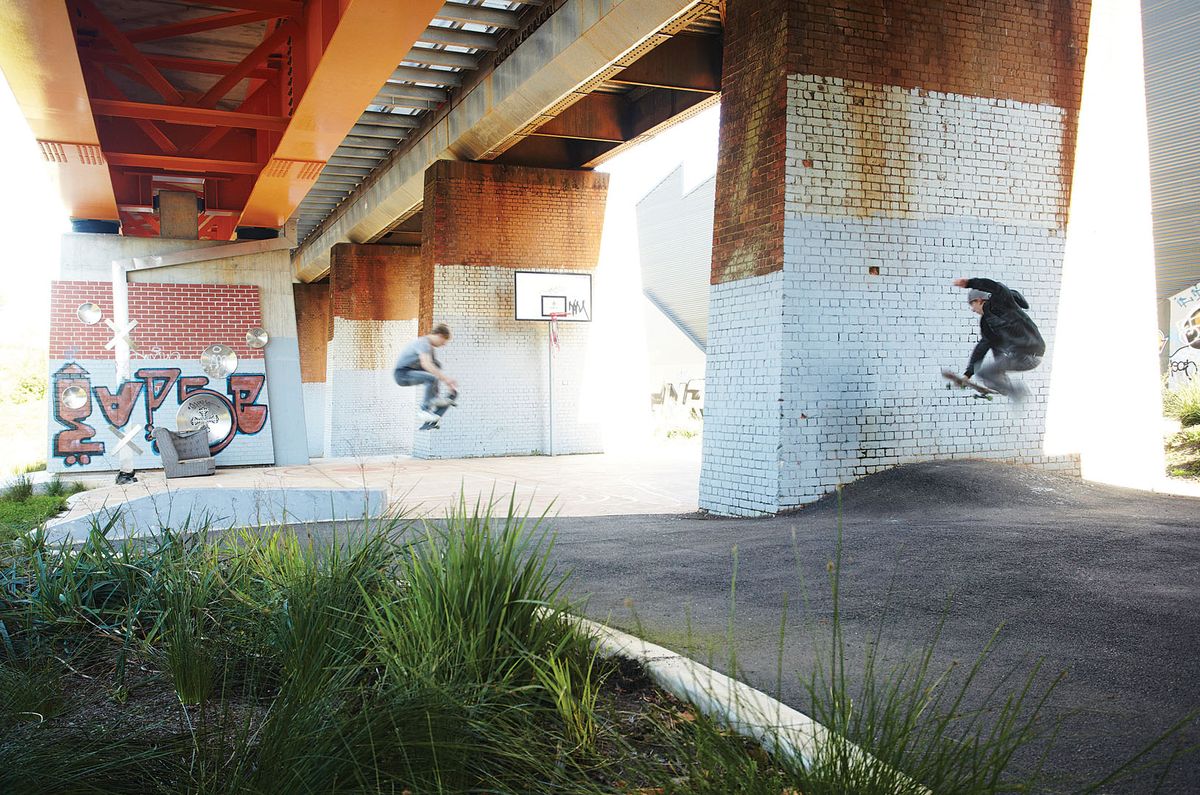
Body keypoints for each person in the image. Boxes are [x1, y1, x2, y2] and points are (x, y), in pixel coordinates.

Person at [953, 277, 1045, 400]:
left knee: (985, 373)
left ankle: (1017, 391)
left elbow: (996, 287)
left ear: (979, 300)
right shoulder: (986, 323)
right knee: (988, 371)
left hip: (1029, 353)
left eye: (972, 304)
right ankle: (1005, 386)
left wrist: (970, 283)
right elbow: (983, 347)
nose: (973, 310)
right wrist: (968, 374)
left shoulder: (1002, 301)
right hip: (1021, 356)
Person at [394, 323, 458, 424]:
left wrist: (447, 383)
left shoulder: (429, 348)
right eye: (444, 341)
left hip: (410, 372)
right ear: (440, 335)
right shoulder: (423, 343)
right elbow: (426, 364)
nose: (444, 345)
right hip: (402, 374)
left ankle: (434, 399)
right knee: (431, 377)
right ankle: (424, 411)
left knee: (436, 366)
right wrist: (447, 380)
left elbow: (434, 369)